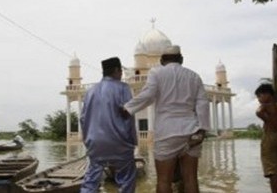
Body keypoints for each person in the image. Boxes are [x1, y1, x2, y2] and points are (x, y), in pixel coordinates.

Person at [122, 45, 209, 193]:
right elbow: (202, 103)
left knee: (164, 180)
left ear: (162, 60)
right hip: (191, 131)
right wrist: (202, 130)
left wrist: (128, 108)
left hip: (167, 132)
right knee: (190, 179)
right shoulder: (194, 76)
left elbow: (148, 95)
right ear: (181, 59)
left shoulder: (156, 73)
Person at [80, 57, 137, 193]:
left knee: (91, 180)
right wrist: (133, 142)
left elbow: (83, 119)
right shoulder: (123, 88)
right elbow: (129, 115)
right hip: (119, 142)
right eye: (121, 70)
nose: (122, 74)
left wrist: (88, 142)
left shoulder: (90, 91)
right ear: (117, 70)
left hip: (95, 143)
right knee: (126, 179)